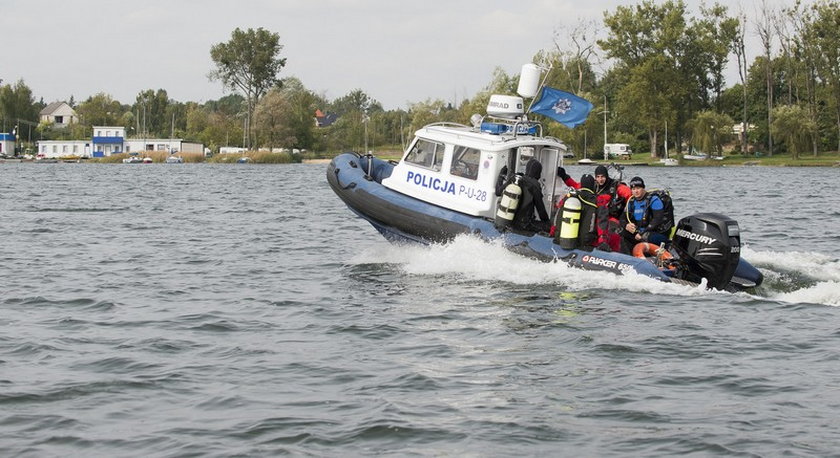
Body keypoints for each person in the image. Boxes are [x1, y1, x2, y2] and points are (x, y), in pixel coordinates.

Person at [556, 164, 631, 251]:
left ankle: (614, 251)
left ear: (606, 176)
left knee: (613, 232)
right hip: (593, 214)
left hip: (610, 216)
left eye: (602, 177)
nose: (600, 179)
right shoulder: (592, 184)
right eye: (598, 177)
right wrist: (564, 176)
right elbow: (576, 186)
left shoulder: (615, 186)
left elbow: (629, 195)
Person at [495, 158, 550, 233]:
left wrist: (501, 176)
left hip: (508, 221)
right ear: (538, 173)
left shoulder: (515, 180)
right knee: (547, 225)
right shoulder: (535, 186)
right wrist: (548, 223)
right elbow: (541, 212)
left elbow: (498, 192)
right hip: (523, 225)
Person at [619, 176, 671, 254]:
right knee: (620, 232)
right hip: (638, 232)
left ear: (643, 188)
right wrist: (627, 225)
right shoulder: (631, 202)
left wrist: (642, 233)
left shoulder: (653, 200)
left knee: (645, 236)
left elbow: (657, 219)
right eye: (633, 189)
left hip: (655, 233)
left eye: (638, 188)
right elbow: (622, 219)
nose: (636, 191)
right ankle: (628, 257)